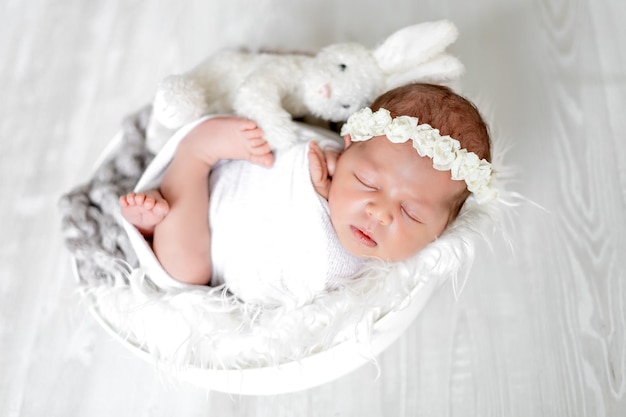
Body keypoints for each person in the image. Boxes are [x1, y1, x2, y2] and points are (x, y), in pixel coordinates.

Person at [119, 83, 495, 302]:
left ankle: (163, 218)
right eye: (367, 181)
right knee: (184, 269)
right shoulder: (324, 160)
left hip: (219, 253)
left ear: (442, 229)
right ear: (347, 147)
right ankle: (194, 155)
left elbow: (314, 273)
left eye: (412, 213)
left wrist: (320, 201)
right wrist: (315, 190)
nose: (379, 213)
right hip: (229, 190)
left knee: (186, 276)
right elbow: (294, 153)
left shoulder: (388, 288)